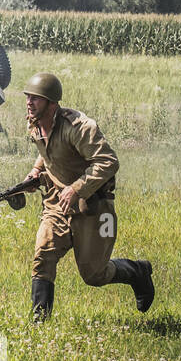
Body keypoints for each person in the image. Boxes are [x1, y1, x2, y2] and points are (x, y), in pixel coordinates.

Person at [19, 72, 155, 322]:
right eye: (28, 97)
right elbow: (48, 151)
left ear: (52, 103)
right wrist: (36, 171)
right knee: (43, 254)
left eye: (36, 99)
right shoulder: (35, 123)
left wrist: (77, 188)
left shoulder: (79, 128)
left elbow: (108, 161)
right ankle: (39, 324)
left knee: (94, 275)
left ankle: (138, 271)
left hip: (93, 206)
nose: (29, 102)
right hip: (56, 203)